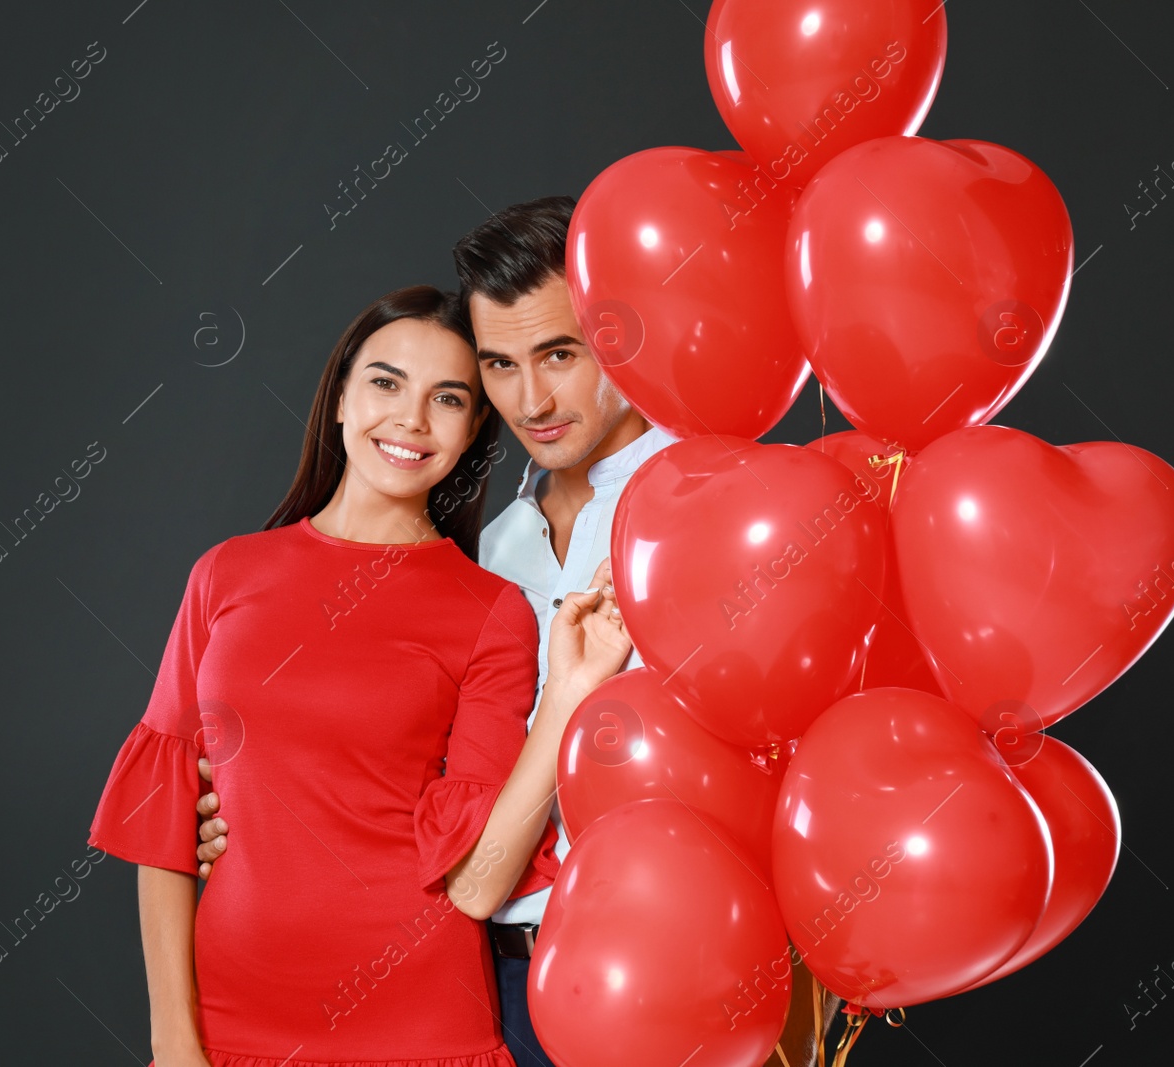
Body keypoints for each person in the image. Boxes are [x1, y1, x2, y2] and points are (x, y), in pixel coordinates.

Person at [194, 202, 841, 1067]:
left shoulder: (723, 510)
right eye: (499, 365)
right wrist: (245, 801)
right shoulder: (494, 553)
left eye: (560, 355)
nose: (531, 399)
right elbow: (416, 763)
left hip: (679, 982)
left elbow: (803, 762)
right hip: (497, 983)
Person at [86, 283, 633, 1067]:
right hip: (232, 1016)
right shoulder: (225, 574)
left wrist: (575, 692)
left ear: (474, 428)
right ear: (340, 395)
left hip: (419, 1020)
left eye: (447, 398)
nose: (410, 419)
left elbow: (481, 865)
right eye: (385, 382)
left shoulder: (492, 609)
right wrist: (174, 1037)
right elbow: (164, 824)